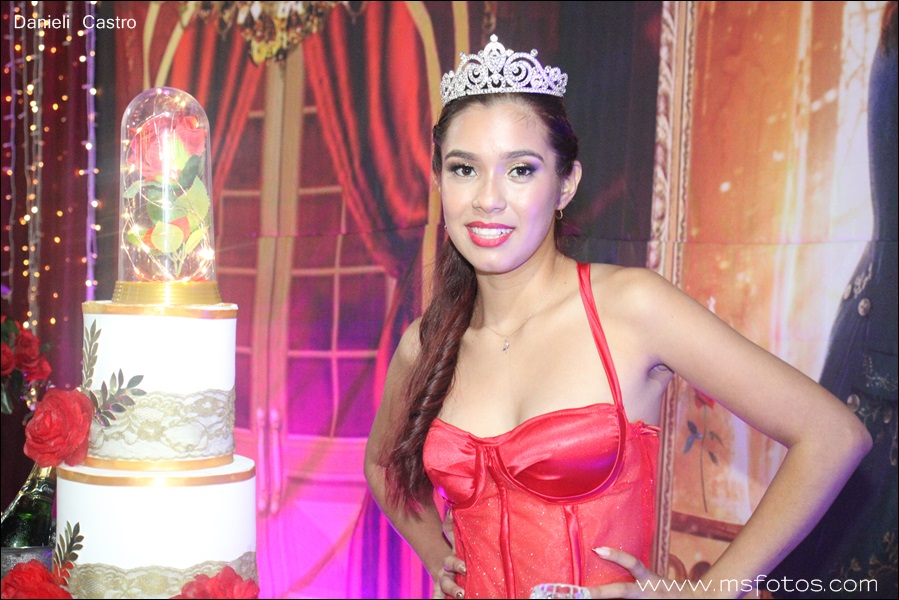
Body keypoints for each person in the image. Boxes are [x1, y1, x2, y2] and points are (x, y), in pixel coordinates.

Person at [363, 35, 872, 599]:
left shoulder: (632, 308)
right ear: (439, 180)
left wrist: (705, 593)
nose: (488, 198)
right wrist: (438, 556)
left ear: (566, 185)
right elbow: (383, 468)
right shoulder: (427, 344)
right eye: (464, 169)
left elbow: (832, 436)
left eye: (520, 170)